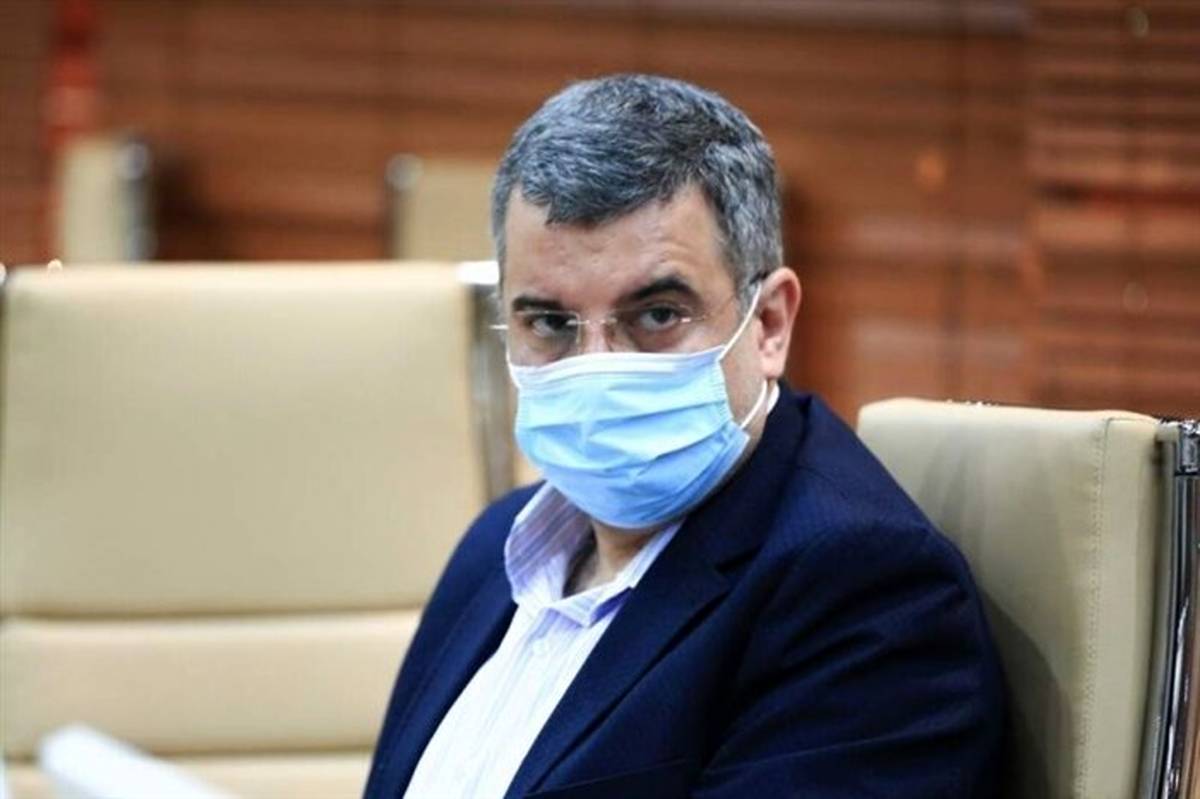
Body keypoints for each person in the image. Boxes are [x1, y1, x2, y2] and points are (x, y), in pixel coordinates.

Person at [365, 74, 1004, 799]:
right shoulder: (497, 546)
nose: (597, 368)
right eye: (550, 322)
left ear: (769, 323)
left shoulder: (865, 593)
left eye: (658, 315)